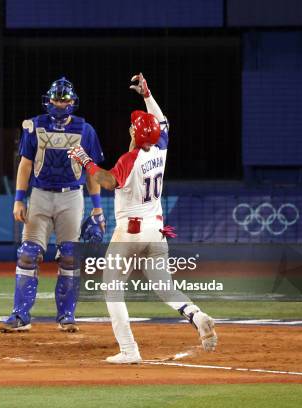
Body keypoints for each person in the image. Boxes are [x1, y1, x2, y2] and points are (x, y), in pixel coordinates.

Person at [68, 73, 217, 363]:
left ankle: (129, 350)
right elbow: (162, 123)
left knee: (112, 289)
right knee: (164, 285)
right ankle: (197, 317)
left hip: (130, 234)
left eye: (133, 128)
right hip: (156, 231)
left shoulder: (130, 159)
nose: (130, 129)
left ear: (136, 134)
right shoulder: (160, 149)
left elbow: (108, 181)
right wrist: (147, 96)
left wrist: (84, 160)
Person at [0, 77, 105, 333]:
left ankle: (66, 316)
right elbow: (25, 165)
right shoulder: (35, 126)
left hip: (71, 195)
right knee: (28, 254)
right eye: (57, 98)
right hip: (40, 195)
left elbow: (92, 172)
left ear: (72, 101)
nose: (60, 103)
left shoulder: (86, 130)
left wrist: (98, 207)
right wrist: (18, 199)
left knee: (69, 256)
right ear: (49, 100)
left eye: (64, 99)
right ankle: (20, 315)